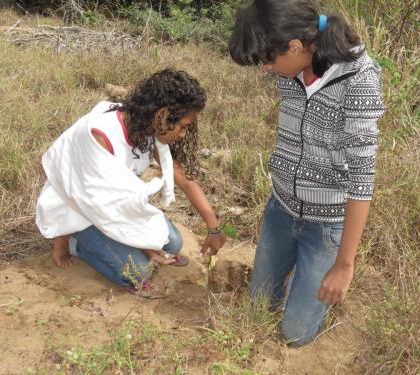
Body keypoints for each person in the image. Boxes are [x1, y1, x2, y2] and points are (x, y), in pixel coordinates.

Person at [229, 0, 385, 346]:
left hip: (326, 224)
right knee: (257, 309)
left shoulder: (359, 80)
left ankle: (311, 303)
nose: (267, 68)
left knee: (294, 335)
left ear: (296, 46)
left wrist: (344, 265)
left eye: (269, 59)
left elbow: (362, 179)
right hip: (281, 210)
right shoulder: (292, 69)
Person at [36, 69, 226, 297]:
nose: (184, 134)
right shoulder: (102, 138)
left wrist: (214, 226)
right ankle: (73, 241)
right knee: (138, 270)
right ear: (163, 114)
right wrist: (146, 246)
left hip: (114, 205)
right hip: (79, 209)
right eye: (184, 126)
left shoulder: (145, 125)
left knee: (172, 244)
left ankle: (113, 244)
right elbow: (97, 204)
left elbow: (183, 179)